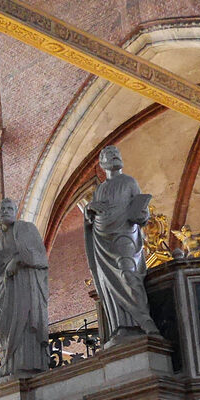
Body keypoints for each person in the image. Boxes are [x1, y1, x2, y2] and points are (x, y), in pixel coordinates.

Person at [81, 146, 157, 340]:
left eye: (116, 153)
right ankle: (122, 326)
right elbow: (91, 215)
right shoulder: (100, 189)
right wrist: (90, 208)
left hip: (124, 235)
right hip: (103, 241)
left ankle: (145, 322)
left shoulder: (129, 182)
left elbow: (141, 213)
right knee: (109, 284)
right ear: (102, 163)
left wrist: (142, 213)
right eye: (109, 154)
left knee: (128, 274)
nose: (114, 156)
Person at [0, 198, 50, 376]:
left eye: (9, 208)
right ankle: (7, 363)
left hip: (24, 284)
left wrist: (17, 261)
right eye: (2, 209)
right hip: (7, 287)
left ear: (15, 211)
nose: (5, 211)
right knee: (1, 326)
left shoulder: (25, 228)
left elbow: (39, 256)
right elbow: (1, 266)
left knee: (22, 323)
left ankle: (23, 365)